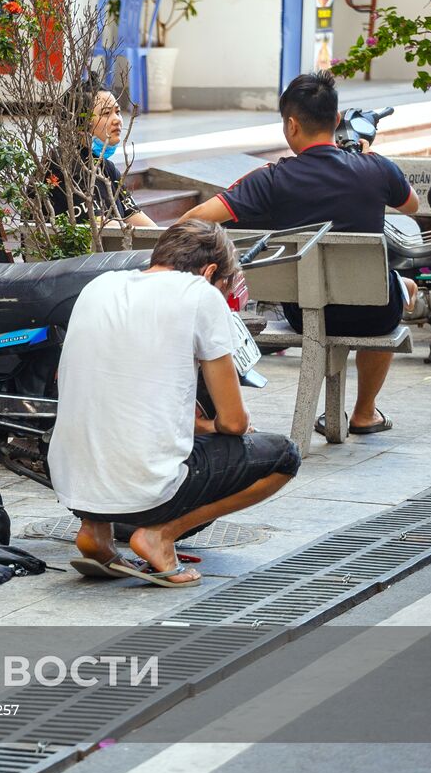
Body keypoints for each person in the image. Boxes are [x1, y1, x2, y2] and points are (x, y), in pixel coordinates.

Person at [49, 220, 301, 587]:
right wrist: (209, 426)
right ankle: (161, 535)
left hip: (73, 486)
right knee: (283, 456)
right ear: (210, 271)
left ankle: (94, 533)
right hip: (147, 493)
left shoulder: (98, 286)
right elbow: (233, 422)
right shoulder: (200, 294)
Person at [178, 70, 420, 435]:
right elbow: (413, 206)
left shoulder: (270, 179)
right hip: (374, 314)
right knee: (396, 287)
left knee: (388, 286)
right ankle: (364, 412)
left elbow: (194, 219)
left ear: (291, 125)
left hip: (303, 312)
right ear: (337, 120)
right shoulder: (379, 168)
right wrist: (369, 160)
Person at [46, 88, 156, 230]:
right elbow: (107, 230)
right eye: (106, 113)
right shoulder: (63, 167)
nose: (117, 120)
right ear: (80, 123)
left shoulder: (107, 168)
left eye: (117, 112)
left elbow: (146, 226)